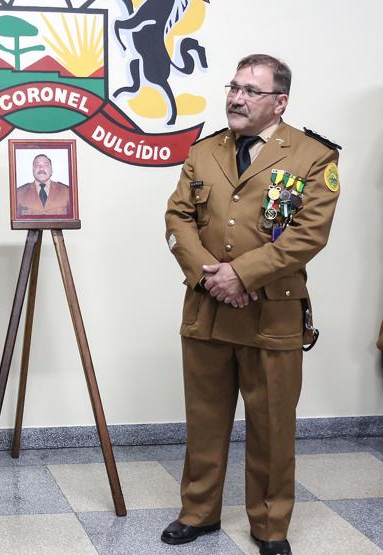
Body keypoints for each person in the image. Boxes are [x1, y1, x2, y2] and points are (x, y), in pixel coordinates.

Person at [162, 54, 340, 555]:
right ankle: (198, 512)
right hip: (206, 309)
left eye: (251, 91)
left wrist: (241, 274)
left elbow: (307, 235)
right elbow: (178, 218)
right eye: (233, 87)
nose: (236, 98)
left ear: (279, 102)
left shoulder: (312, 157)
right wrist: (208, 276)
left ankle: (269, 525)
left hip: (271, 315)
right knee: (204, 417)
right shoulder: (204, 151)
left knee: (271, 425)